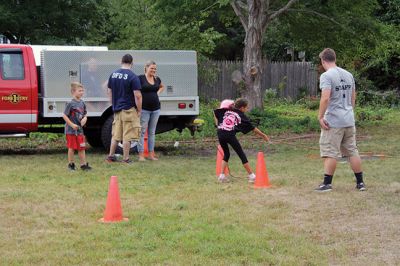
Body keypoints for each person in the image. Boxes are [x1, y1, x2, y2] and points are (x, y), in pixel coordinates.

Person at [315, 48, 366, 192]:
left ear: (323, 61)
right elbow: (353, 97)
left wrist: (320, 117)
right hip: (349, 119)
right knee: (352, 151)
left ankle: (327, 184)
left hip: (334, 121)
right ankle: (360, 183)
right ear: (334, 58)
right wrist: (349, 111)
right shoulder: (348, 74)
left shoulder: (326, 76)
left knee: (330, 152)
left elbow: (325, 98)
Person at [214, 98, 270, 183]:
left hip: (220, 133)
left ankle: (221, 176)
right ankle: (251, 176)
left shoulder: (227, 110)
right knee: (241, 154)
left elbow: (215, 112)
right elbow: (252, 128)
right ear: (242, 108)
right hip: (229, 134)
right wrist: (263, 135)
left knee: (226, 153)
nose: (246, 110)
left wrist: (217, 124)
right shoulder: (240, 114)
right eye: (246, 108)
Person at [106, 54, 142, 164]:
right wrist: (139, 110)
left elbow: (109, 91)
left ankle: (110, 157)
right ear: (132, 63)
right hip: (128, 109)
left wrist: (113, 104)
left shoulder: (113, 74)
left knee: (115, 135)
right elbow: (138, 95)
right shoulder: (132, 76)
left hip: (117, 109)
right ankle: (126, 159)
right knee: (128, 135)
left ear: (121, 61)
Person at [138, 60, 165, 161]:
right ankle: (141, 155)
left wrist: (157, 93)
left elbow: (162, 87)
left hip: (156, 109)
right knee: (142, 132)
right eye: (152, 68)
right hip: (144, 109)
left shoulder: (157, 79)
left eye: (155, 69)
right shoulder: (140, 78)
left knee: (152, 132)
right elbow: (136, 91)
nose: (153, 70)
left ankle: (151, 154)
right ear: (146, 67)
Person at [62, 82, 92, 171]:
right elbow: (64, 115)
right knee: (72, 148)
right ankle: (71, 165)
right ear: (73, 92)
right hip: (70, 131)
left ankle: (83, 165)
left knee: (81, 147)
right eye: (79, 91)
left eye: (82, 91)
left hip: (80, 131)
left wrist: (85, 118)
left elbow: (85, 113)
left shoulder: (82, 103)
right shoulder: (70, 103)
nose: (82, 92)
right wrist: (72, 124)